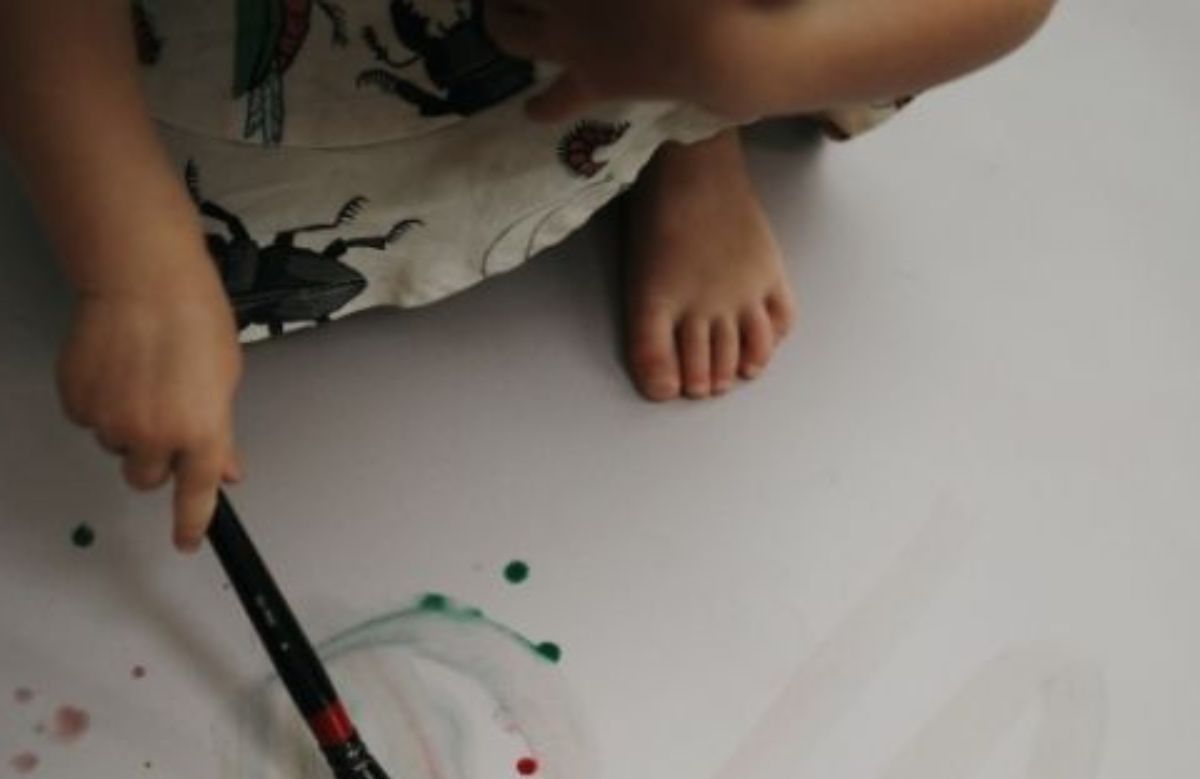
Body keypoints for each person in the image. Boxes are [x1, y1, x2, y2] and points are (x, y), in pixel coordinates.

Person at [0, 1, 1054, 551]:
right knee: (178, 198)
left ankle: (687, 135)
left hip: (684, 65)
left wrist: (732, 71)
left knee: (803, 41)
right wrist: (136, 265)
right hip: (343, 46)